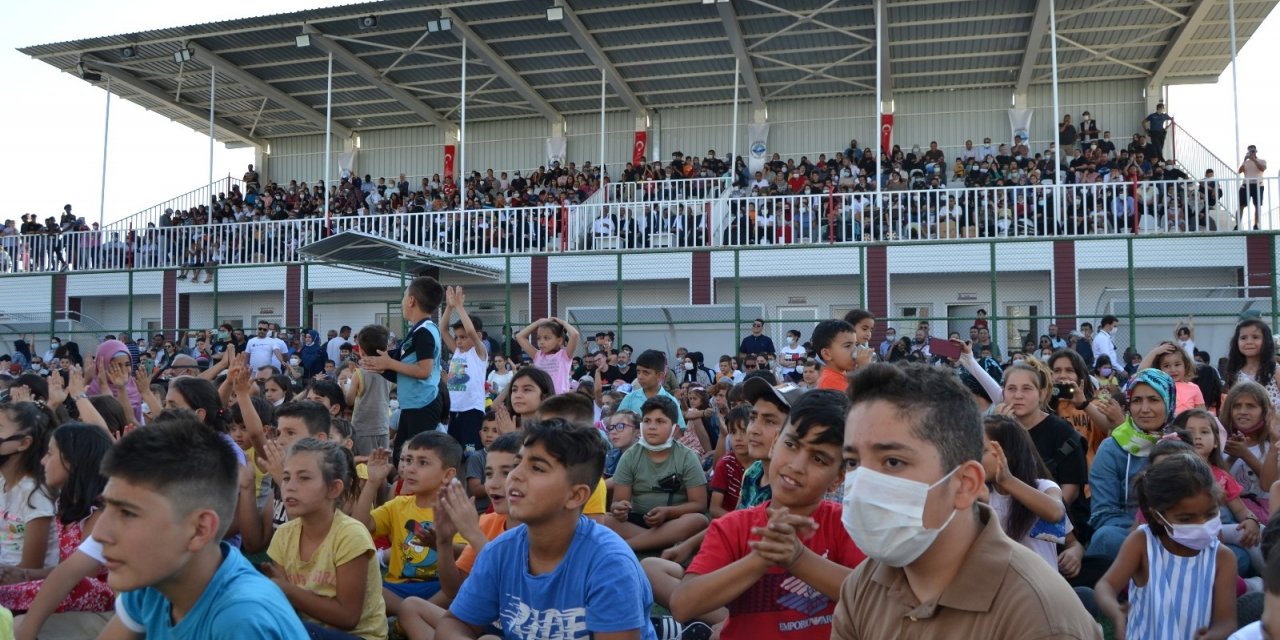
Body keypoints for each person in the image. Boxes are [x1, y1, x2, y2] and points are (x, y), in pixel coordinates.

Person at [832, 363, 1100, 638]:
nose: (864, 483)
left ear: (965, 483)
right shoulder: (865, 585)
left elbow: (1056, 513)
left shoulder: (1039, 617)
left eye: (892, 461)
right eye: (852, 462)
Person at [670, 390, 865, 640]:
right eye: (792, 444)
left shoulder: (845, 525)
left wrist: (798, 558)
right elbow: (683, 604)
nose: (796, 465)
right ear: (774, 445)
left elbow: (874, 600)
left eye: (819, 459)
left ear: (837, 479)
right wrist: (761, 558)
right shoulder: (733, 527)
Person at [438, 420, 657, 640]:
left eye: (537, 468)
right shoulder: (499, 551)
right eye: (516, 464)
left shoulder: (610, 564)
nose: (515, 475)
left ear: (575, 496)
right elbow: (454, 624)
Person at [92, 418, 308, 638]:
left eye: (128, 513)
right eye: (105, 506)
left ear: (200, 530)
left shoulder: (241, 621)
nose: (99, 533)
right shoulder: (155, 578)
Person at [1095, 453, 1236, 639]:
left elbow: (1226, 622)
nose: (1201, 524)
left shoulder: (1222, 557)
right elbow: (1106, 585)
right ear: (1157, 516)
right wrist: (1115, 611)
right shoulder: (1142, 543)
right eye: (1186, 519)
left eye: (1210, 514)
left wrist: (1212, 636)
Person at [265, 438, 386, 639]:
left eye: (304, 478)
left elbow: (348, 617)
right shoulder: (284, 535)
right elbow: (282, 604)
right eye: (286, 478)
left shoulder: (350, 535)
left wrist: (287, 590)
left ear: (334, 489)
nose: (290, 487)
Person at [7, 423, 113, 639]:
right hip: (67, 583)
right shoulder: (63, 506)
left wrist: (27, 576)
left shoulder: (99, 513)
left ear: (72, 461)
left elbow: (82, 573)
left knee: (15, 595)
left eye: (50, 453)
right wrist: (22, 574)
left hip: (95, 592)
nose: (43, 461)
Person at [353, 432, 463, 615]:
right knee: (363, 586)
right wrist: (372, 482)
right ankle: (414, 615)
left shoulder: (457, 510)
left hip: (437, 587)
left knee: (461, 588)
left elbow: (466, 556)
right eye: (409, 460)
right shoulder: (398, 505)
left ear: (448, 474)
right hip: (397, 586)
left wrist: (440, 543)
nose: (410, 469)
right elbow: (359, 525)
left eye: (423, 463)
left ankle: (413, 615)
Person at [1088, 369, 1177, 563]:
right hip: (1126, 532)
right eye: (1137, 401)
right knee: (1105, 538)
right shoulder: (1112, 448)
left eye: (1154, 400)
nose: (1144, 409)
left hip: (1178, 530)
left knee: (1237, 555)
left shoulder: (1182, 442)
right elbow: (1103, 512)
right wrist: (1143, 533)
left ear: (1169, 402)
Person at [605, 396, 708, 552]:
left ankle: (628, 547)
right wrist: (619, 509)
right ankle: (659, 541)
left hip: (673, 521)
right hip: (637, 520)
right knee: (604, 520)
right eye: (647, 421)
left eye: (660, 421)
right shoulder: (630, 456)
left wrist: (668, 512)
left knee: (698, 520)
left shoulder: (687, 457)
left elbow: (699, 504)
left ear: (675, 428)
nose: (651, 427)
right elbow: (618, 502)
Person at [360, 276, 444, 463]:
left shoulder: (425, 332)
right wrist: (379, 365)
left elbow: (424, 371)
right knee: (401, 458)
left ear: (412, 300)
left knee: (414, 459)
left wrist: (389, 364)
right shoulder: (418, 330)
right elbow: (403, 370)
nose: (403, 301)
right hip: (413, 404)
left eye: (404, 295)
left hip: (423, 404)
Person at [1174, 409, 1263, 575]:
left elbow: (1241, 510)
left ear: (1216, 442)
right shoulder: (1174, 471)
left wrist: (1252, 520)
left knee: (1257, 532)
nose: (1197, 437)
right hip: (1188, 532)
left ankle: (1269, 581)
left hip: (1222, 531)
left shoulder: (1222, 476)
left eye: (1204, 432)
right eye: (1190, 432)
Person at [995, 363, 1087, 508]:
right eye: (1011, 389)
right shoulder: (995, 429)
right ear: (1003, 393)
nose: (1018, 396)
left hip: (1052, 516)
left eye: (1027, 389)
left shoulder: (1062, 432)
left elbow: (1071, 490)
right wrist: (1001, 430)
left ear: (1042, 394)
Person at [981, 415, 1068, 569]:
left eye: (983, 450)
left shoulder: (1043, 487)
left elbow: (1055, 513)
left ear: (1007, 453)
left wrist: (1008, 480)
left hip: (1041, 585)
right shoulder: (981, 494)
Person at [0, 402, 56, 576]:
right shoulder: (3, 481)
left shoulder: (35, 495)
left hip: (18, 588)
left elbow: (31, 568)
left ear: (24, 443)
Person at [440, 286, 487, 450]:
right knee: (454, 451)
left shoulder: (479, 353)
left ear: (478, 337)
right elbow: (443, 330)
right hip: (455, 409)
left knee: (471, 453)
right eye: (457, 338)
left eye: (462, 337)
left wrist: (459, 306)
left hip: (472, 410)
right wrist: (449, 306)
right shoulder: (458, 352)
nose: (458, 341)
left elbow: (471, 331)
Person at [1222, 381, 1277, 519]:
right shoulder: (1220, 442)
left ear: (1265, 411)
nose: (1243, 412)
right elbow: (1217, 482)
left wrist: (1245, 454)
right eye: (1237, 406)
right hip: (1232, 514)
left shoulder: (1274, 445)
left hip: (1267, 514)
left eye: (1251, 406)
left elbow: (1269, 484)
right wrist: (1233, 456)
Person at [346, 324, 392, 457]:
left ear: (361, 351)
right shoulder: (389, 371)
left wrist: (345, 386)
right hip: (383, 426)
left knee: (365, 464)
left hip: (363, 427)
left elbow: (349, 400)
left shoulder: (359, 373)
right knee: (382, 461)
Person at [515, 317, 580, 395]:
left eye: (546, 338)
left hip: (559, 400)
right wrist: (538, 322)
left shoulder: (564, 355)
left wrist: (562, 322)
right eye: (539, 338)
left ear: (559, 341)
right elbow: (519, 336)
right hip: (541, 399)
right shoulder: (537, 355)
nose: (541, 342)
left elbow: (575, 334)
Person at [707, 405, 751, 519]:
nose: (738, 438)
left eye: (744, 431)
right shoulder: (725, 464)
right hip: (729, 520)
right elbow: (714, 509)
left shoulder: (762, 464)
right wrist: (738, 522)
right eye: (733, 432)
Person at [1226, 318, 1280, 410]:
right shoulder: (1234, 372)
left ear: (1266, 341)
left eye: (1255, 337)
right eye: (1243, 338)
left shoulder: (1275, 370)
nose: (1249, 342)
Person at [1141, 342, 1206, 415]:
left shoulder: (1194, 388)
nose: (1173, 370)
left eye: (1177, 364)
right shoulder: (1158, 386)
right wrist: (1155, 352)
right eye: (1167, 366)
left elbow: (1202, 414)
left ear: (1185, 365)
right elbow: (1141, 372)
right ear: (1159, 369)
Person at [811, 319, 859, 392]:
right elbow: (863, 400)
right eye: (848, 346)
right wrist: (865, 370)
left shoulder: (842, 374)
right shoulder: (829, 381)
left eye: (856, 345)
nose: (855, 351)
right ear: (827, 354)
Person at [1238, 145, 1267, 230]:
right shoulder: (1245, 162)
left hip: (1258, 185)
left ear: (1256, 151)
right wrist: (1244, 160)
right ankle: (1238, 225)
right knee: (1241, 205)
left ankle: (1256, 225)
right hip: (1246, 185)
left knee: (1257, 205)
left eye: (1253, 151)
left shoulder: (1262, 161)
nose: (1251, 153)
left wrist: (1254, 159)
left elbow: (1262, 169)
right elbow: (1240, 171)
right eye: (1250, 151)